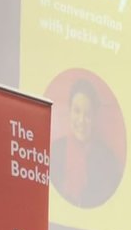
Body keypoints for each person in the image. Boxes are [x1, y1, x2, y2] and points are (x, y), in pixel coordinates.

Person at [51, 77, 122, 208]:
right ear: (69, 112)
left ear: (95, 118)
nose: (81, 120)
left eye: (87, 114)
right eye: (77, 111)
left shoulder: (108, 161)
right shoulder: (54, 152)